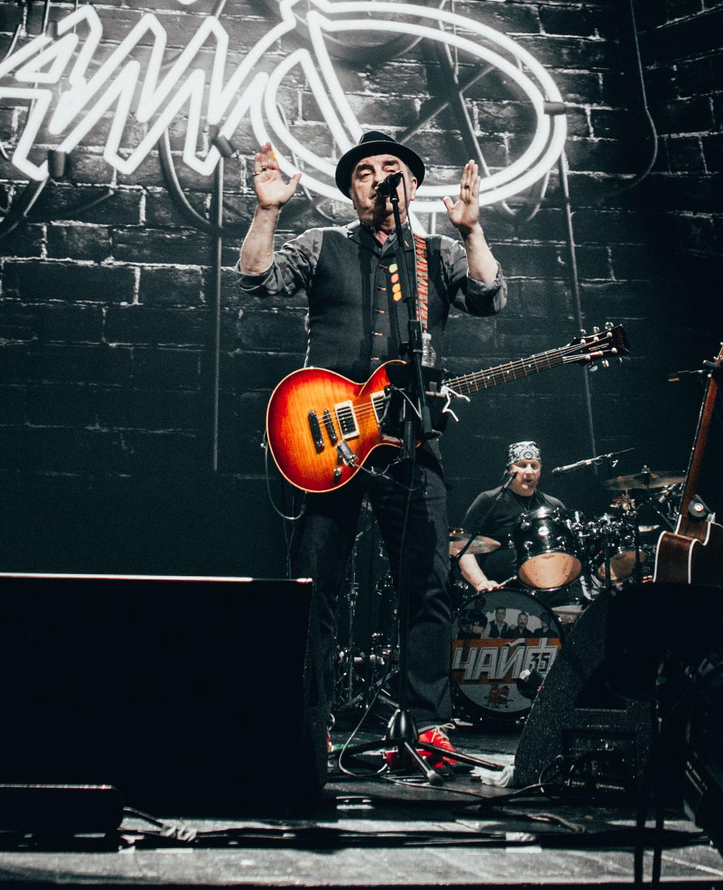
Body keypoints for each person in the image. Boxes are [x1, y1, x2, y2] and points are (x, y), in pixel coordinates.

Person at [239, 129, 507, 766]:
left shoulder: (435, 253)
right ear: (351, 189)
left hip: (411, 441)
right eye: (366, 172)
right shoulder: (322, 245)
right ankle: (308, 723)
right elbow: (255, 280)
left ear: (412, 187)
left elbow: (490, 298)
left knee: (428, 583)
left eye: (393, 169)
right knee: (314, 582)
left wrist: (471, 231)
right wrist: (268, 210)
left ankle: (428, 726)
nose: (380, 179)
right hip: (327, 438)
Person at [457, 442, 569, 596]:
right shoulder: (489, 500)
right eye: (522, 465)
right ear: (510, 470)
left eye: (534, 466)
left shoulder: (553, 505)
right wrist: (481, 582)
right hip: (500, 592)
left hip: (546, 592)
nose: (529, 472)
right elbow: (462, 547)